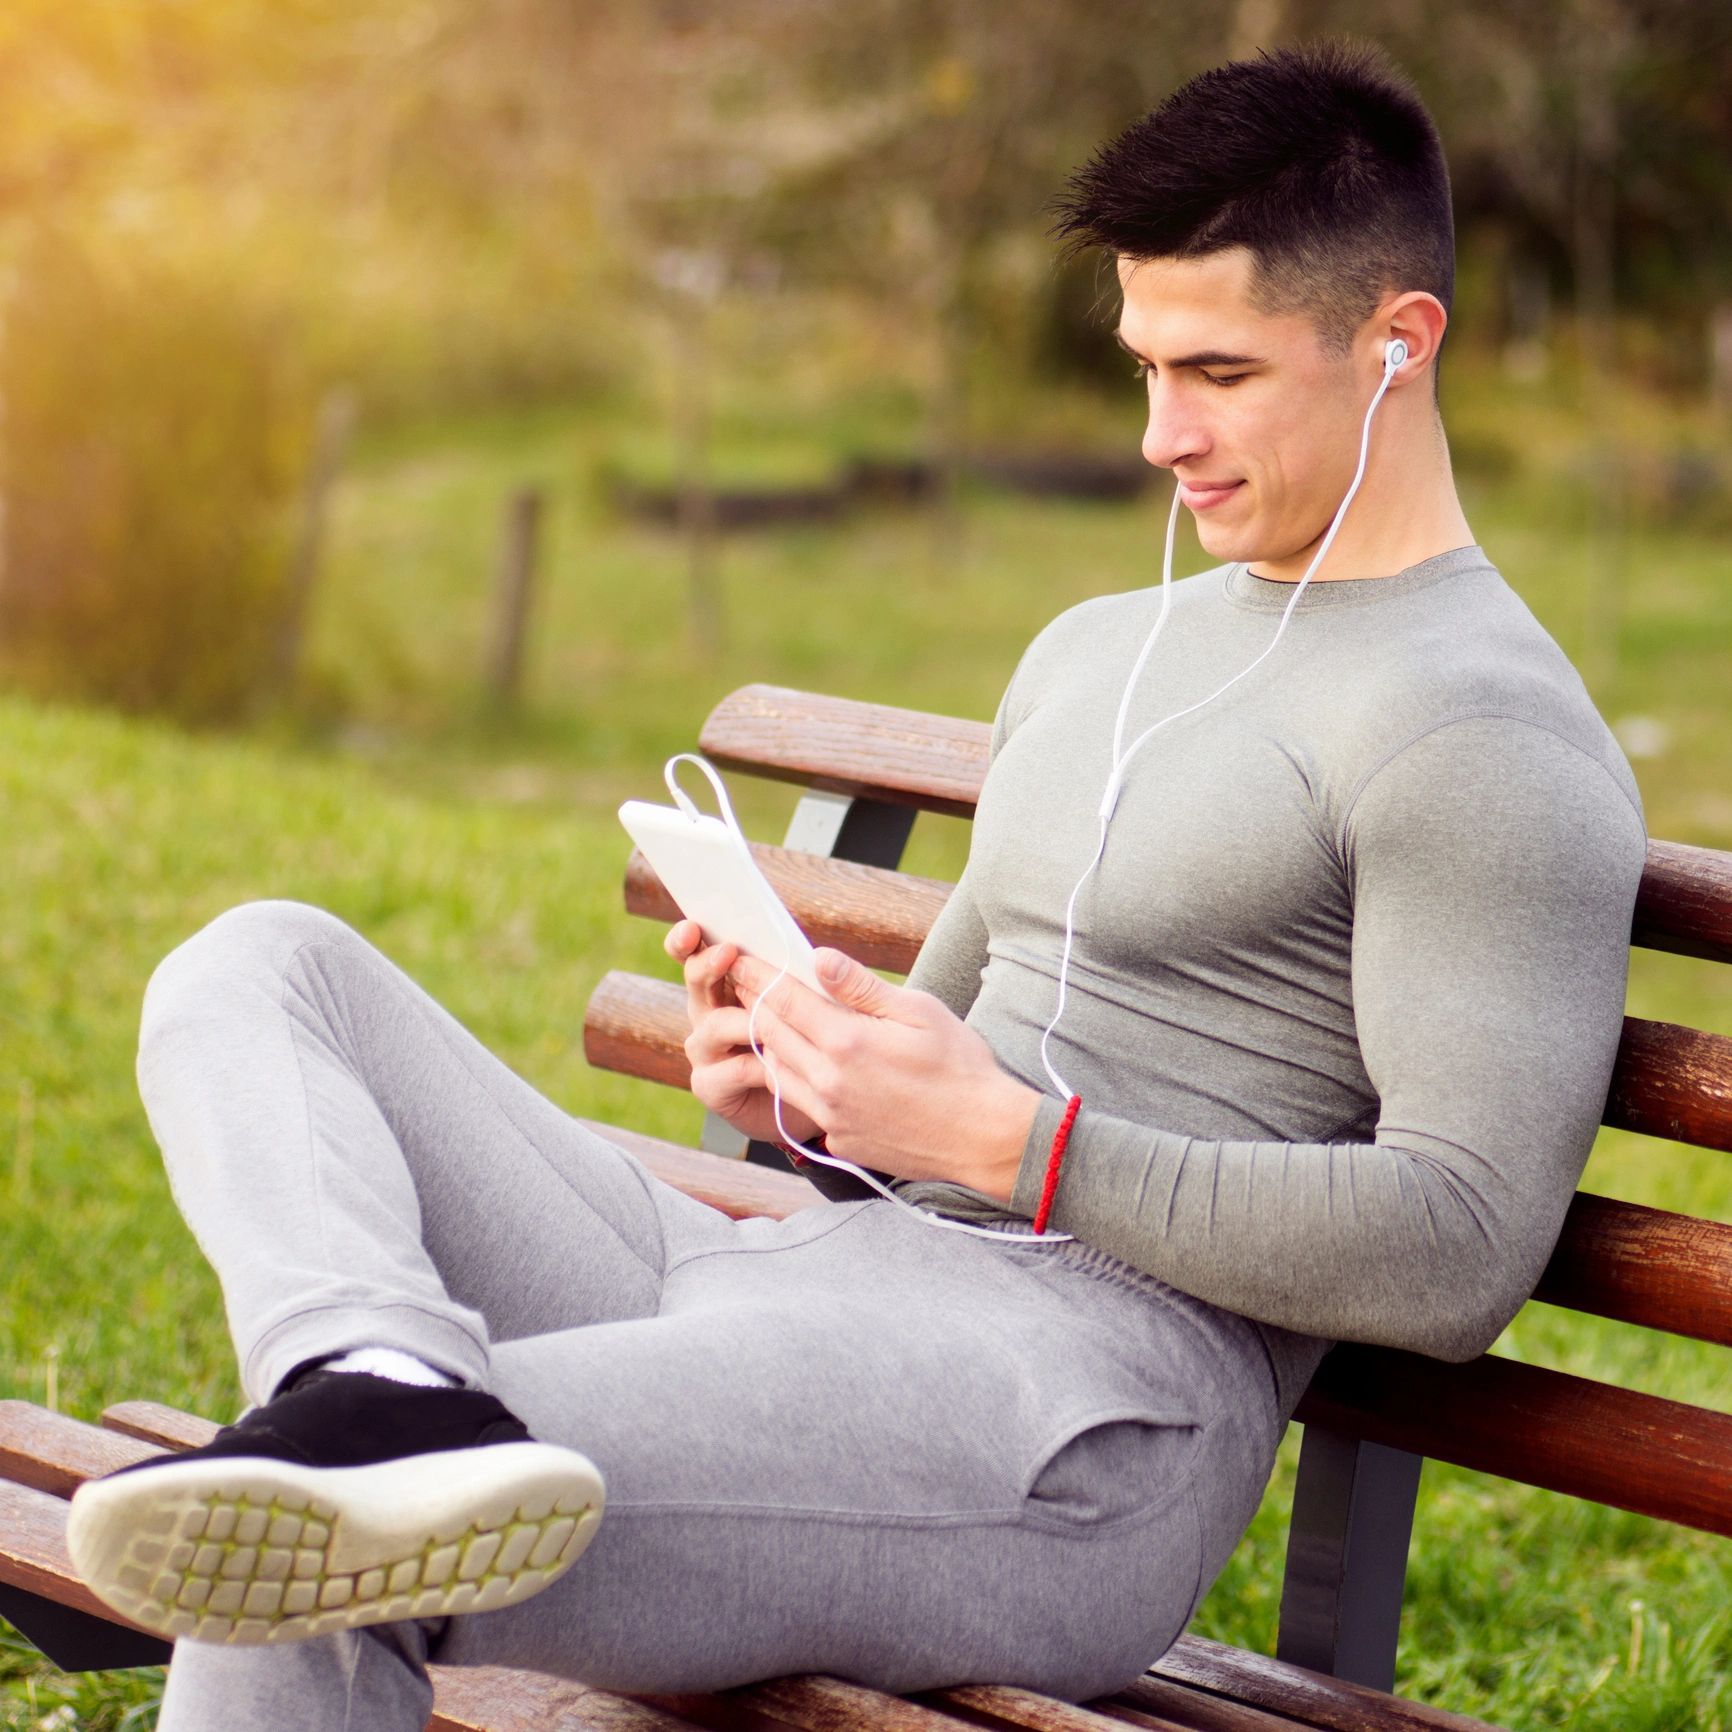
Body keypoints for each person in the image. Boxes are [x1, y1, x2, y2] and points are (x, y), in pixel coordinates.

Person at [68, 36, 1646, 1730]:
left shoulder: (1479, 731)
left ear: (1399, 346)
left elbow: (1462, 1250)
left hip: (1069, 1415)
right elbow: (941, 1048)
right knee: (260, 966)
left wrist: (1009, 1145)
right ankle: (369, 1367)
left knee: (332, 1535)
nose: (1156, 435)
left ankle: (382, 1435)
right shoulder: (1103, 645)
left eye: (1220, 374)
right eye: (1141, 365)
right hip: (796, 1291)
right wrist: (809, 1079)